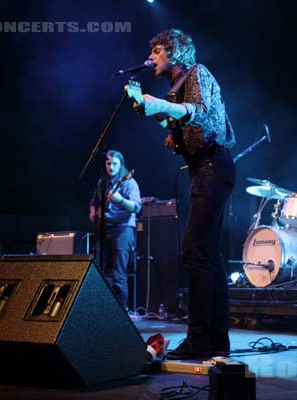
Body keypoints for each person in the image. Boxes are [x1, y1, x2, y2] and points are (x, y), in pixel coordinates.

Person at [133, 29, 236, 359]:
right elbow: (184, 136)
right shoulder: (174, 92)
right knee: (207, 255)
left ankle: (199, 338)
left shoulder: (197, 73)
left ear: (175, 52)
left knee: (194, 250)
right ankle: (217, 340)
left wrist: (161, 106)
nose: (151, 58)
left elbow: (204, 114)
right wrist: (162, 119)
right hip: (203, 170)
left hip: (214, 166)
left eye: (158, 51)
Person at [89, 150, 141, 310]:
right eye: (108, 163)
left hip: (123, 229)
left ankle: (122, 311)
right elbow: (94, 202)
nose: (111, 167)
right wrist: (93, 213)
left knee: (118, 273)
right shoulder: (102, 183)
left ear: (121, 164)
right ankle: (104, 310)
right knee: (100, 271)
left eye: (114, 164)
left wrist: (120, 200)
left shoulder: (129, 182)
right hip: (104, 230)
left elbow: (136, 207)